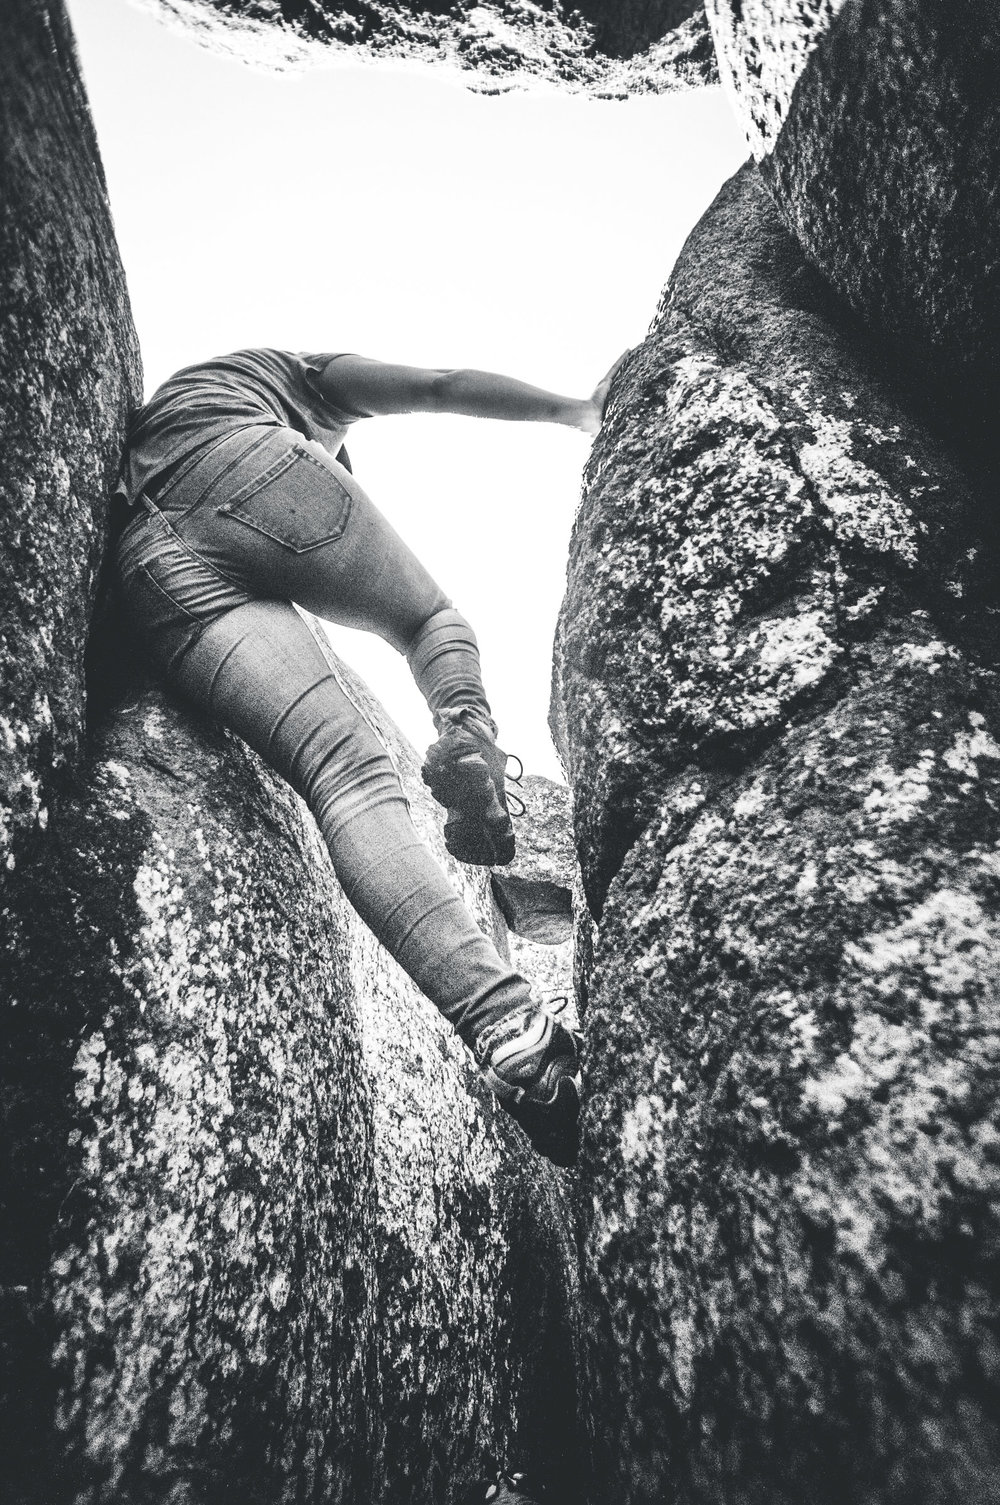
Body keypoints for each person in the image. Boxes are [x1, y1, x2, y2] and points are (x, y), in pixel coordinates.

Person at [114, 348, 621, 1166]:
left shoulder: (174, 404)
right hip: (243, 463)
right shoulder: (291, 376)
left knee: (341, 772)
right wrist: (573, 409)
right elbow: (439, 383)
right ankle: (468, 732)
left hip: (149, 562)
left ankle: (517, 1035)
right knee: (432, 622)